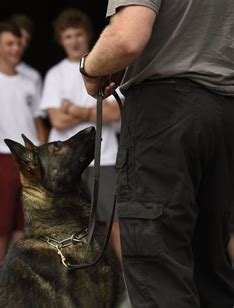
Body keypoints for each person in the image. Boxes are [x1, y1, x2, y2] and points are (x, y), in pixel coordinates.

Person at [81, 1, 234, 306]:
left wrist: (89, 67)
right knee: (209, 266)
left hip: (164, 113)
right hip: (224, 112)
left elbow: (127, 38)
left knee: (158, 267)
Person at [39, 8, 122, 261]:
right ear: (61, 40)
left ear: (89, 36)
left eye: (78, 35)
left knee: (115, 222)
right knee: (72, 225)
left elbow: (114, 115)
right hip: (67, 162)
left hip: (104, 157)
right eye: (68, 36)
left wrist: (73, 109)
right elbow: (57, 120)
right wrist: (93, 111)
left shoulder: (104, 66)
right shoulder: (55, 74)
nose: (74, 41)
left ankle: (128, 286)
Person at [0, 21, 46, 274]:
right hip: (2, 159)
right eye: (8, 44)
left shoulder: (29, 80)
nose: (15, 49)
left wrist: (42, 156)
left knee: (22, 225)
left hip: (29, 161)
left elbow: (37, 121)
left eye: (17, 43)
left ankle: (13, 278)